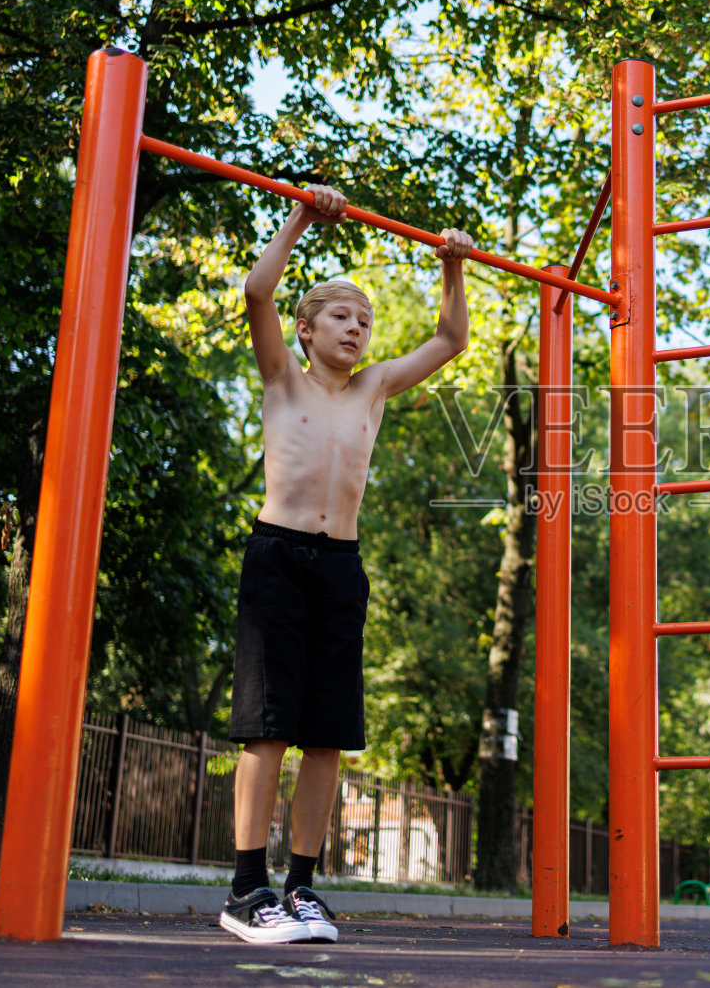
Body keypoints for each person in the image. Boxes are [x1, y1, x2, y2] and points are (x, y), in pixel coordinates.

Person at [219, 185, 472, 944]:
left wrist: (451, 264)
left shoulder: (374, 387)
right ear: (305, 329)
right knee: (269, 729)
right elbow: (256, 290)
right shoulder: (282, 376)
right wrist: (303, 213)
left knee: (327, 734)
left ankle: (300, 886)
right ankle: (246, 888)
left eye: (365, 320)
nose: (357, 328)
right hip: (277, 556)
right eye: (341, 316)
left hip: (339, 567)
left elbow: (450, 339)